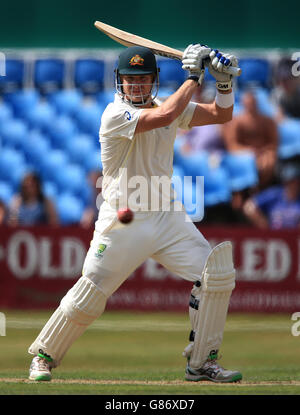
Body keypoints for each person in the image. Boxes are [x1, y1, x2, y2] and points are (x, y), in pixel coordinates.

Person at [28, 45, 242, 383]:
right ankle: (43, 356)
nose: (137, 86)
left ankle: (202, 363)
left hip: (167, 217)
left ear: (154, 81)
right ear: (120, 83)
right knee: (91, 292)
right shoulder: (115, 115)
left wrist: (226, 84)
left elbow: (220, 115)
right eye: (130, 80)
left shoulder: (167, 105)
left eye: (143, 79)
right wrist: (195, 77)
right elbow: (166, 117)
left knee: (216, 275)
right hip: (123, 221)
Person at [222, 90, 278, 190]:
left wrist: (263, 151)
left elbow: (273, 142)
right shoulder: (237, 122)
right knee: (248, 163)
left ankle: (262, 189)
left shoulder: (267, 121)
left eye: (252, 103)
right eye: (248, 103)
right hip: (243, 154)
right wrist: (248, 151)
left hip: (264, 153)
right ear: (243, 104)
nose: (250, 106)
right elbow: (232, 144)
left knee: (268, 163)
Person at [243, 161, 300, 229]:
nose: (294, 184)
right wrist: (264, 224)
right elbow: (248, 207)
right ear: (285, 182)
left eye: (297, 181)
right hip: (273, 236)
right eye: (291, 181)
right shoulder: (274, 194)